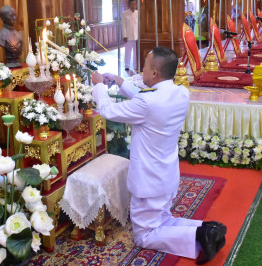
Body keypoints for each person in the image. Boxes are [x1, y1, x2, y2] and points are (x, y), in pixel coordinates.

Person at [91, 46, 227, 265]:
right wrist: (119, 81)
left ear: (154, 73)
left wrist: (98, 86)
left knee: (144, 235)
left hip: (148, 181)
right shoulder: (180, 92)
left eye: (144, 65)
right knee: (163, 220)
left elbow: (109, 111)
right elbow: (146, 101)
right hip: (167, 176)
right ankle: (207, 228)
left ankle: (199, 235)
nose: (142, 69)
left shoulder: (148, 102)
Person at [122, 0, 138, 75]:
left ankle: (135, 65)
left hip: (137, 36)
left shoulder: (138, 13)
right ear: (129, 5)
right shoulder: (125, 13)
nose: (133, 6)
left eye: (134, 4)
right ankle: (127, 66)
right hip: (128, 36)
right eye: (132, 4)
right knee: (128, 51)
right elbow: (123, 26)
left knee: (136, 52)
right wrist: (124, 35)